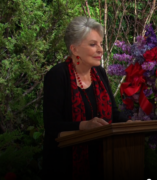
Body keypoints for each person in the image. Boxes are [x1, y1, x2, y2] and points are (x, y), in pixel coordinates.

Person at [42, 16, 128, 180]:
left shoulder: (100, 74)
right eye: (93, 44)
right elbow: (52, 125)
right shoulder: (57, 76)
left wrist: (131, 124)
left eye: (101, 44)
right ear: (74, 49)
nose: (100, 49)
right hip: (65, 166)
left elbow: (114, 115)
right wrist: (83, 125)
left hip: (102, 161)